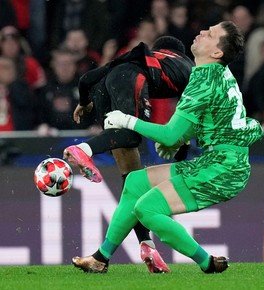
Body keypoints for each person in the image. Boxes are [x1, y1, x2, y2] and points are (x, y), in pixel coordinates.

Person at [71, 21, 264, 274]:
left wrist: (128, 120)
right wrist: (181, 139)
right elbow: (211, 121)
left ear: (217, 53)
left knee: (146, 209)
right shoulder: (213, 74)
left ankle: (206, 262)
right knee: (135, 183)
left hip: (223, 170)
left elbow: (170, 134)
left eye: (211, 34)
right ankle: (101, 258)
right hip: (220, 161)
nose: (202, 32)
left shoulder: (204, 80)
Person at [63, 36, 194, 273]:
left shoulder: (141, 56)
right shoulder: (187, 67)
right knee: (132, 137)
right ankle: (83, 150)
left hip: (104, 85)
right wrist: (180, 151)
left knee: (132, 179)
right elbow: (188, 116)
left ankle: (146, 245)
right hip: (130, 80)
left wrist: (84, 103)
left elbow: (85, 79)